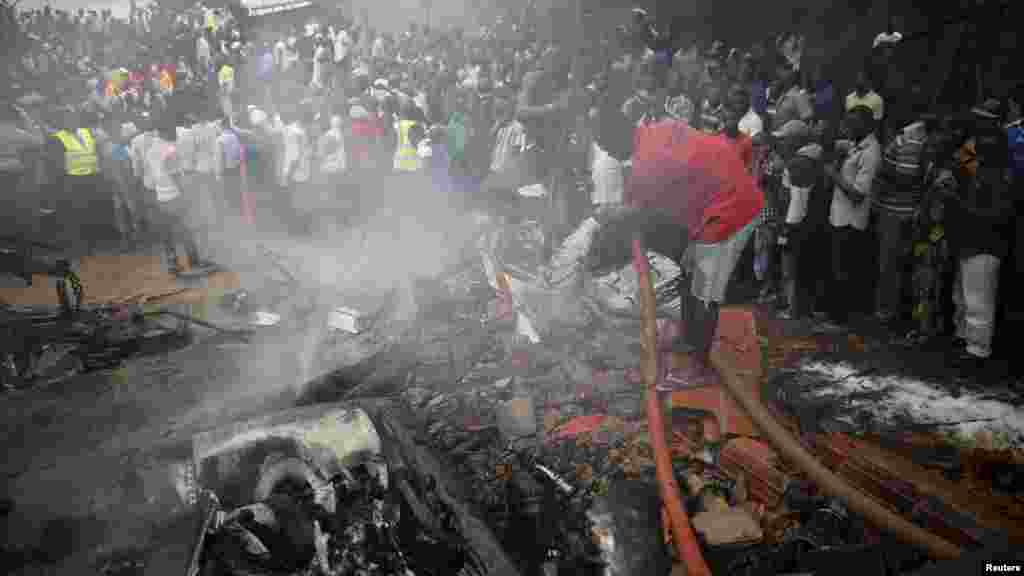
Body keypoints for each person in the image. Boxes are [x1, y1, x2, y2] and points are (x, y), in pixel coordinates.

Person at [628, 115, 764, 389]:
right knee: (690, 274)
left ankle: (699, 366)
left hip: (730, 206)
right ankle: (691, 338)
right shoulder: (657, 129)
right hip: (720, 196)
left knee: (703, 288)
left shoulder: (646, 160)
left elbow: (638, 208)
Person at [947, 100, 1014, 364]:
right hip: (968, 238)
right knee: (963, 296)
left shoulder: (998, 177)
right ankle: (964, 340)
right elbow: (961, 162)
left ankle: (977, 352)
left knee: (978, 299)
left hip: (985, 241)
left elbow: (996, 213)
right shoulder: (978, 168)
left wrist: (957, 201)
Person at [818, 105, 882, 332]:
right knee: (836, 267)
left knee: (844, 270)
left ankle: (840, 319)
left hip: (851, 219)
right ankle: (834, 314)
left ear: (867, 125)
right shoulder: (855, 146)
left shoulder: (871, 152)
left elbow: (858, 195)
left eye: (853, 124)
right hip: (838, 216)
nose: (848, 128)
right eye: (847, 123)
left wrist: (833, 175)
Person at [871, 108, 936, 325]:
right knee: (892, 265)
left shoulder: (920, 142)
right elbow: (904, 178)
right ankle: (888, 312)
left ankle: (901, 314)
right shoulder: (909, 142)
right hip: (896, 213)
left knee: (907, 266)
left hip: (909, 212)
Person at [45, 105, 106, 255]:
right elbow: (56, 165)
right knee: (76, 214)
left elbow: (95, 151)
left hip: (92, 178)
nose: (71, 120)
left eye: (72, 117)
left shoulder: (86, 132)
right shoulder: (57, 138)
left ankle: (91, 244)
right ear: (61, 121)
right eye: (66, 118)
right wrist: (62, 184)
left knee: (91, 212)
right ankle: (79, 246)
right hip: (72, 181)